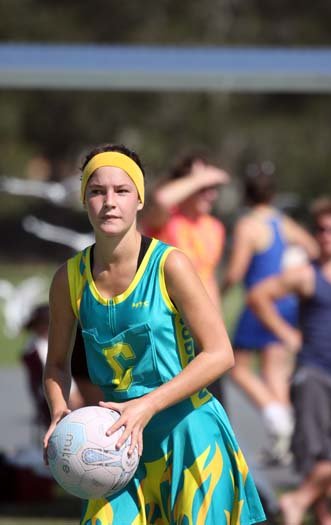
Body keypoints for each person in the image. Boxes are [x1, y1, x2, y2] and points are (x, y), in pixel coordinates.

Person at [43, 144, 265, 525]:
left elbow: (219, 353)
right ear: (85, 199)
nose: (109, 202)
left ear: (140, 199)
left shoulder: (170, 265)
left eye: (122, 191)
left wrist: (147, 405)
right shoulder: (69, 278)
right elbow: (57, 364)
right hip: (112, 446)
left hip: (188, 436)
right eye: (97, 191)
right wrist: (60, 411)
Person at [248, 195, 331, 525]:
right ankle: (320, 514)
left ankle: (298, 501)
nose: (327, 236)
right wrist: (285, 333)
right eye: (321, 230)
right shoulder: (306, 274)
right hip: (315, 374)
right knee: (313, 454)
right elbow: (259, 296)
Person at [222, 166, 319, 462]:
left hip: (258, 303)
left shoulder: (248, 225)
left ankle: (277, 419)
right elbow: (314, 248)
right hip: (285, 304)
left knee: (237, 367)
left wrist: (218, 289)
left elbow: (237, 271)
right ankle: (286, 440)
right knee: (274, 371)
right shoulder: (282, 223)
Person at [142, 152, 230, 403]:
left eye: (212, 188)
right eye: (202, 186)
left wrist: (216, 328)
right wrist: (202, 177)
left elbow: (208, 279)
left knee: (212, 414)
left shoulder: (215, 228)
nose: (209, 193)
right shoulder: (165, 220)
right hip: (167, 335)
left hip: (201, 336)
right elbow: (161, 198)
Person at [21, 304, 83, 435]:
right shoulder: (43, 349)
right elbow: (73, 396)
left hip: (45, 405)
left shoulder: (30, 349)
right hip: (62, 406)